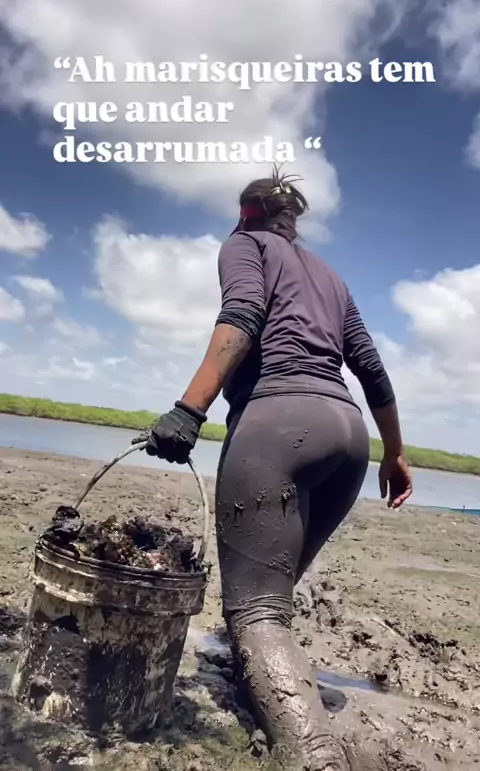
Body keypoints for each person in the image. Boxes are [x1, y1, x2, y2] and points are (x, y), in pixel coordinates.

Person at [136, 169, 413, 770]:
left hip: (279, 426)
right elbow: (371, 368)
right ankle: (262, 684)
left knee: (257, 612)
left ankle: (314, 754)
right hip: (348, 438)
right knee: (270, 597)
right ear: (293, 221)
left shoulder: (244, 244)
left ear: (248, 214)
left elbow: (242, 314)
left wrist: (190, 409)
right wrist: (394, 452)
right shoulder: (332, 278)